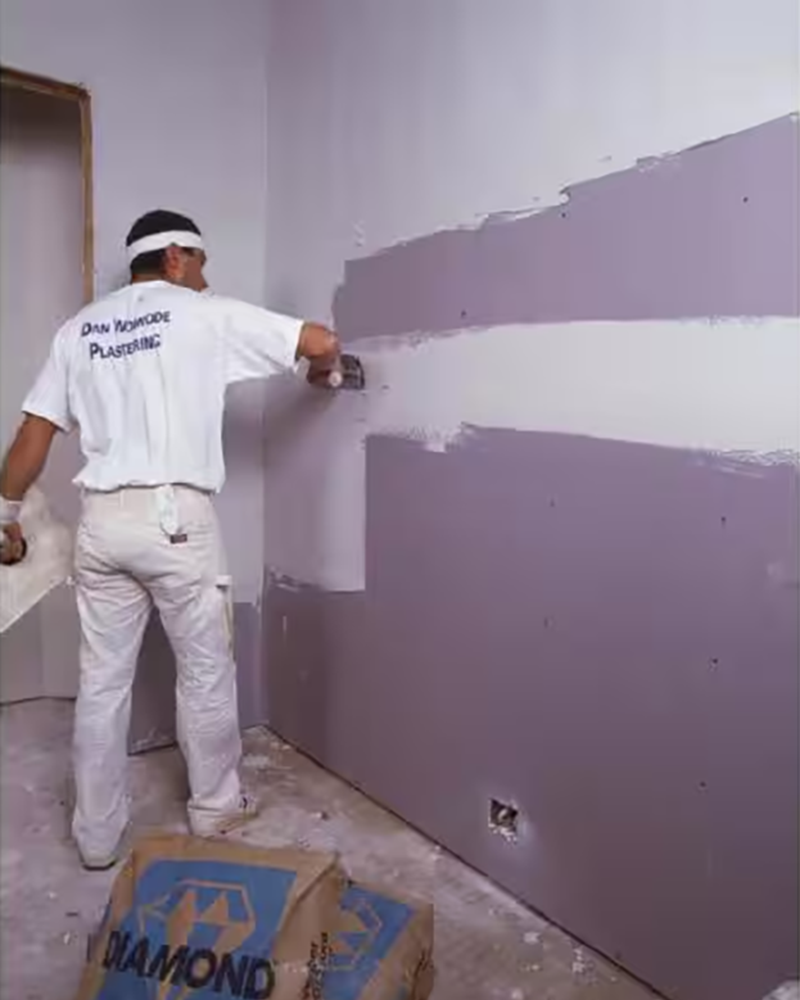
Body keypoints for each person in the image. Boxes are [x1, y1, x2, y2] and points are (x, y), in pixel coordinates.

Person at [0, 210, 344, 870]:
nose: (205, 278)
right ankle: (215, 808)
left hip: (100, 525)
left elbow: (31, 439)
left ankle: (96, 839)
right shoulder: (200, 313)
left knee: (101, 685)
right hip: (174, 521)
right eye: (202, 266)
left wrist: (6, 513)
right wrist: (319, 370)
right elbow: (320, 339)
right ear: (178, 258)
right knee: (207, 673)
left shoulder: (78, 330)